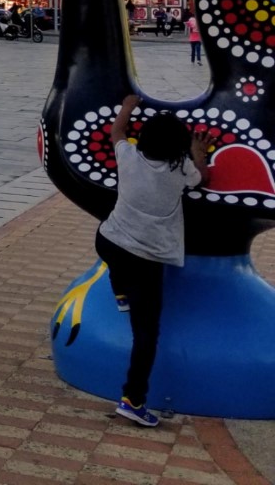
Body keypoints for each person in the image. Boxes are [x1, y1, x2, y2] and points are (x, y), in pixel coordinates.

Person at [95, 94, 212, 427]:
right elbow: (202, 178)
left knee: (115, 258)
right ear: (178, 145)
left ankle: (120, 293)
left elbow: (117, 133)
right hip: (146, 259)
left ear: (143, 138)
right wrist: (197, 151)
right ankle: (133, 400)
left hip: (109, 241)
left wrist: (127, 109)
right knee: (146, 334)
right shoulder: (181, 168)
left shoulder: (129, 155)